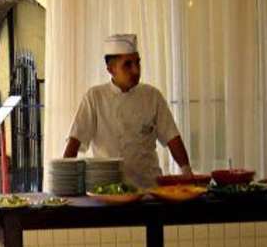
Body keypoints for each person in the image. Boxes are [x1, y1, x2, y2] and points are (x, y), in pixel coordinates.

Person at [63, 33, 191, 189]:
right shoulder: (95, 97)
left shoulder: (152, 96)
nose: (136, 70)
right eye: (128, 65)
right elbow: (75, 140)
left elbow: (172, 137)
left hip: (148, 189)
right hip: (108, 191)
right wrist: (65, 183)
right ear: (111, 69)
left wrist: (187, 172)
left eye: (138, 63)